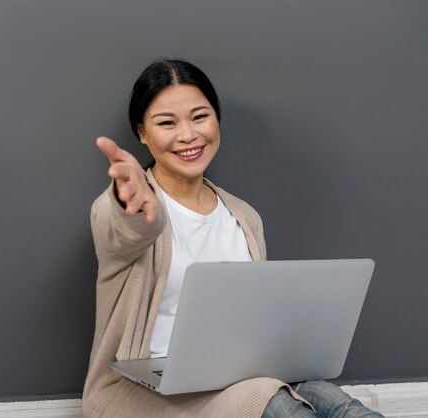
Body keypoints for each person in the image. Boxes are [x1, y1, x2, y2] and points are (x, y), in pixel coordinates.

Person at [83, 58, 384, 418]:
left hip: (232, 376)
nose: (187, 135)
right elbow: (124, 230)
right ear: (142, 133)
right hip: (141, 392)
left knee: (341, 405)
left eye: (199, 116)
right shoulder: (124, 206)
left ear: (216, 119)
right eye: (167, 123)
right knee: (281, 408)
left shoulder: (244, 217)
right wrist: (129, 207)